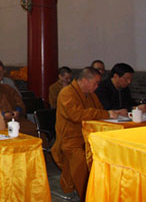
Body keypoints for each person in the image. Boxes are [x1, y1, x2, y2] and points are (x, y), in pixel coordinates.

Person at [51, 67, 123, 200]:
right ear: (84, 80)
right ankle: (88, 195)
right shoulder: (66, 93)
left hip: (88, 136)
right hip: (70, 139)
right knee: (85, 162)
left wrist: (114, 113)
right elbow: (76, 115)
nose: (97, 87)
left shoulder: (91, 94)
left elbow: (99, 110)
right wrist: (105, 114)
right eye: (95, 83)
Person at [0, 68, 36, 136]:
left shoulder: (7, 88)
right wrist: (3, 115)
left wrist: (18, 111)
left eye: (0, 75)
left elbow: (19, 101)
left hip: (17, 120)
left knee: (34, 129)